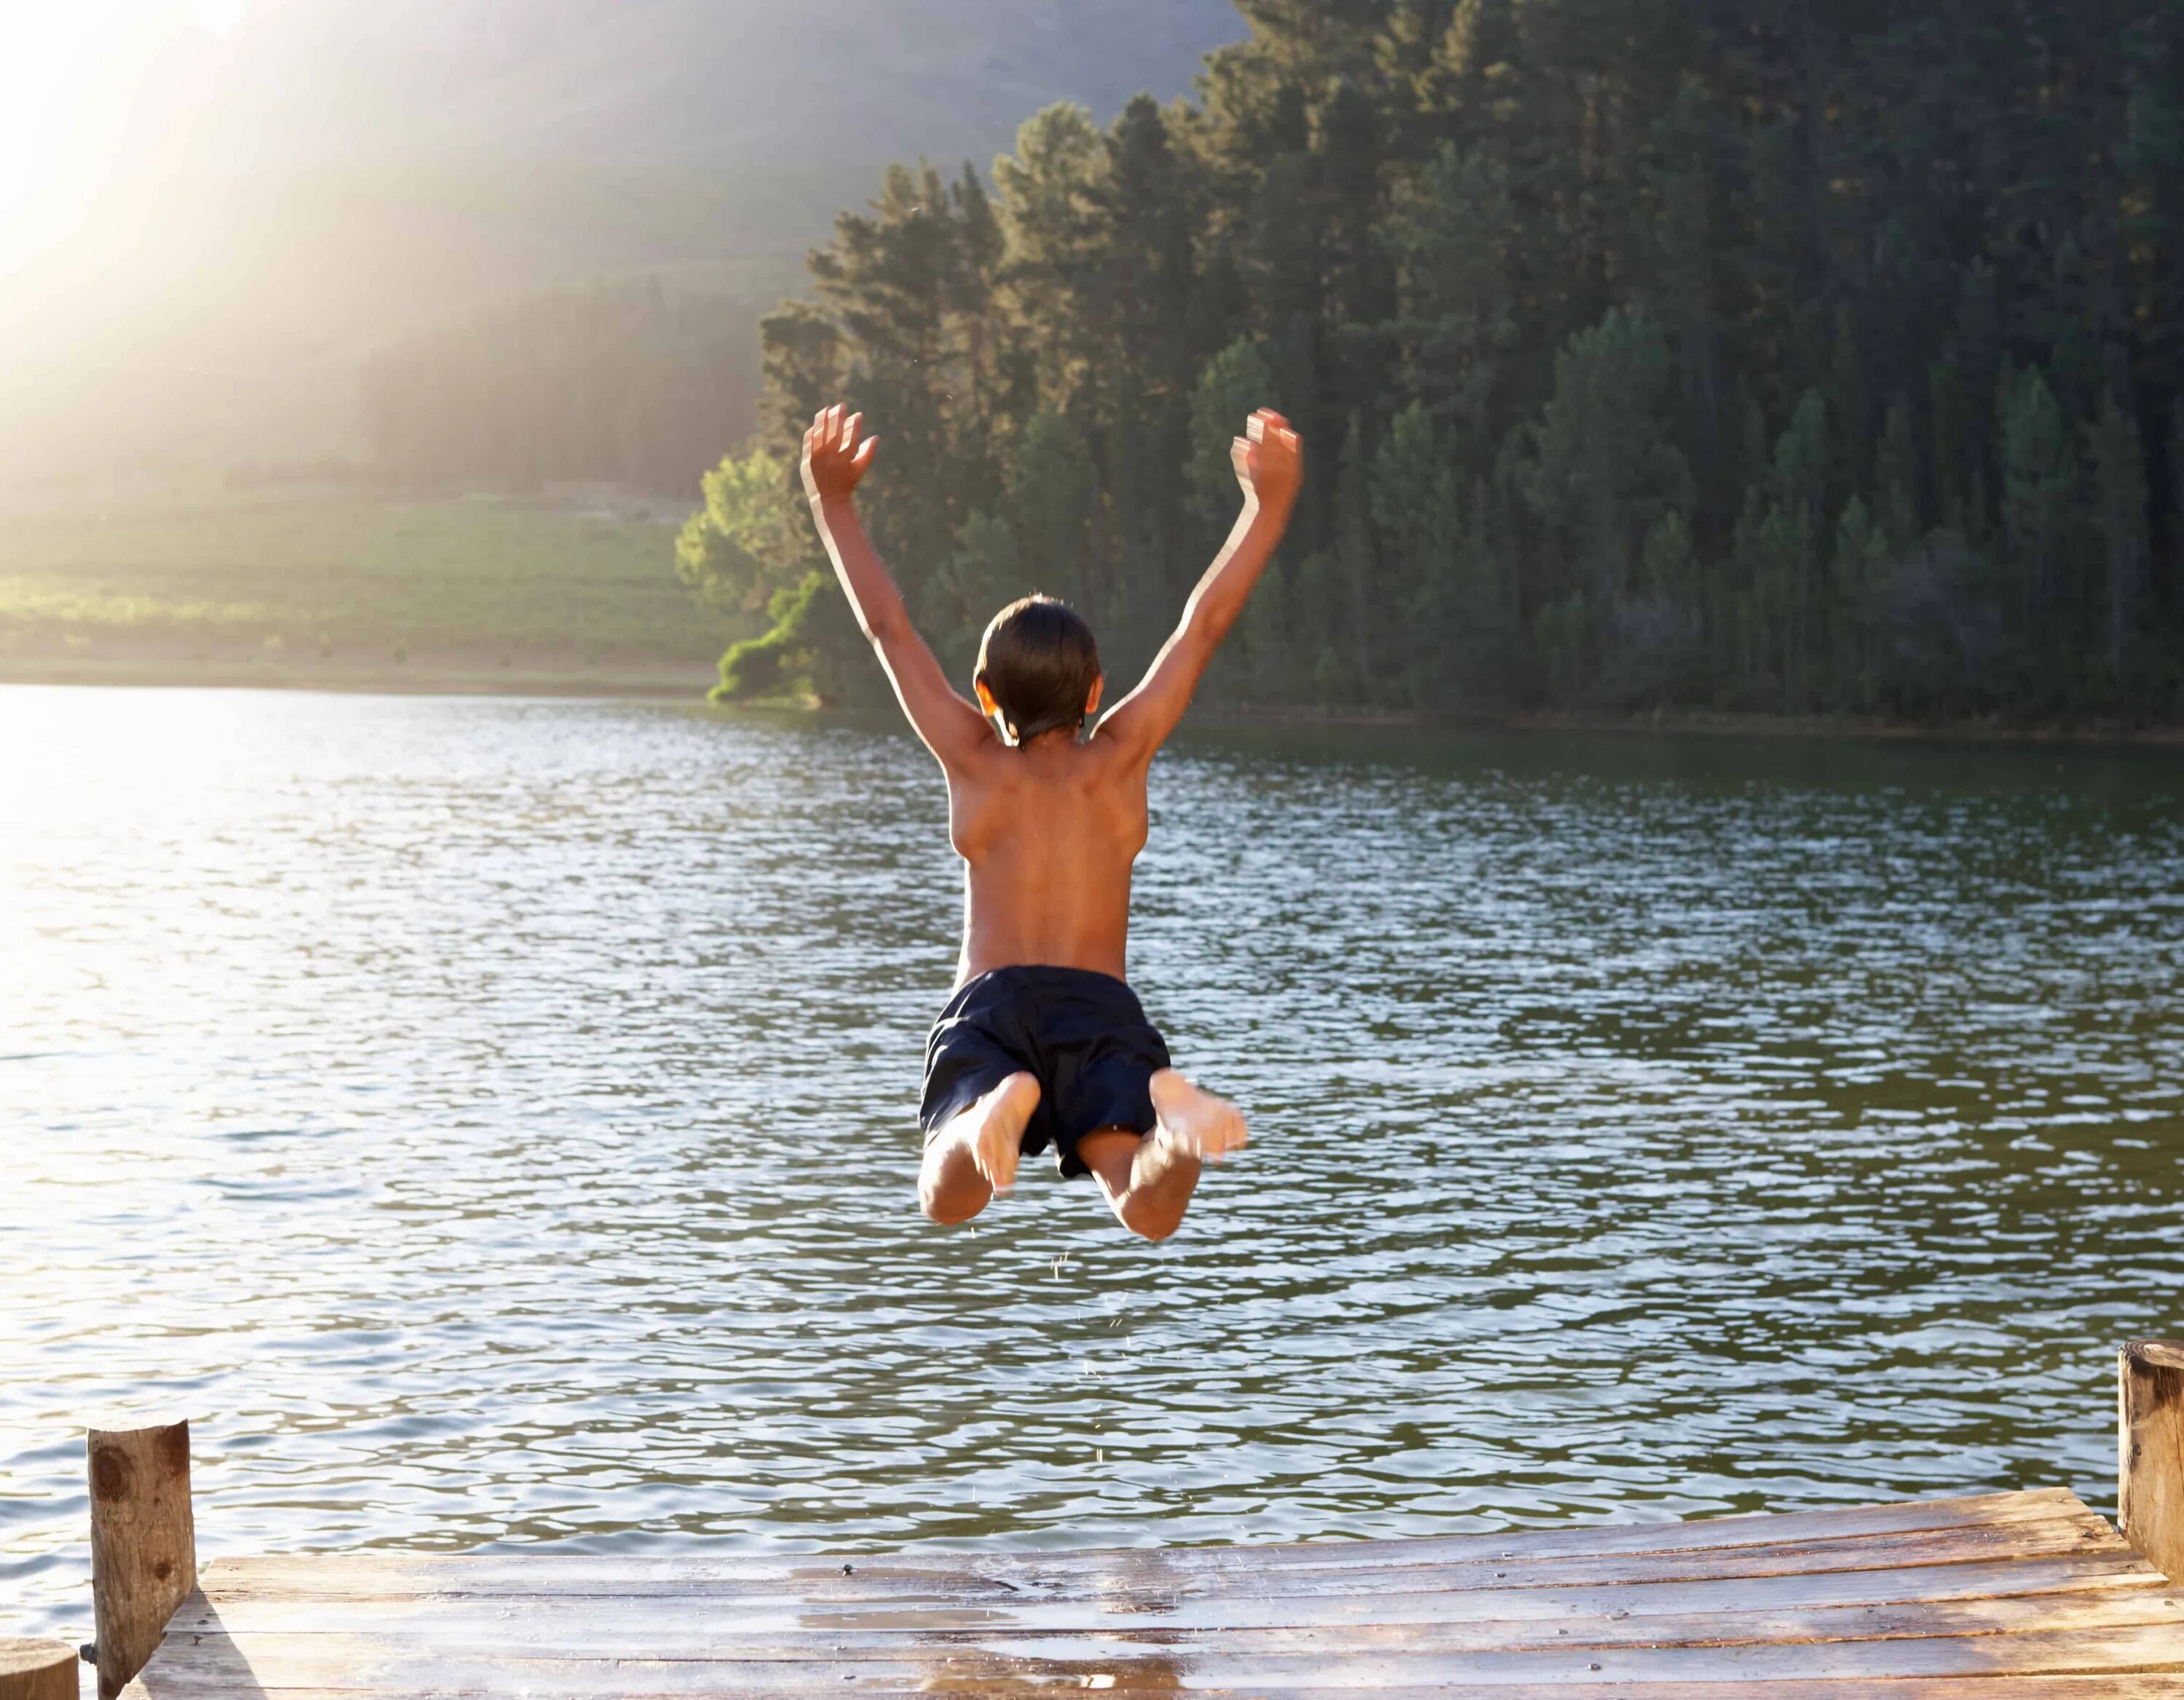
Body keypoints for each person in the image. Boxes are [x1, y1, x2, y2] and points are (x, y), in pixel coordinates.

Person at [799, 402, 1303, 1240]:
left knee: (947, 1194)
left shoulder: (973, 757)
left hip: (991, 1007)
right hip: (1099, 1008)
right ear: (1098, 692)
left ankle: (989, 1109)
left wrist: (834, 502)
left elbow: (887, 628)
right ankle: (1173, 1134)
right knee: (1144, 1208)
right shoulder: (1121, 757)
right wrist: (1268, 505)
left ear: (987, 695)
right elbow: (1203, 625)